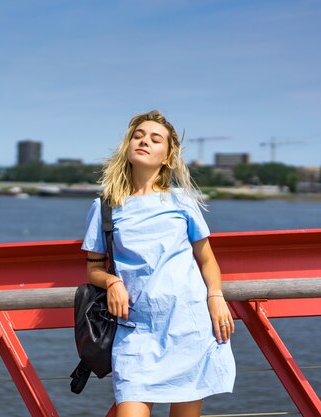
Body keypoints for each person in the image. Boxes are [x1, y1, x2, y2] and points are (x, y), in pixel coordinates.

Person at [81, 110, 236, 417]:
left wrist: (216, 296)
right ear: (128, 146)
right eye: (138, 136)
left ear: (167, 156)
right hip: (136, 332)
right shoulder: (105, 206)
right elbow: (93, 268)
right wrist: (112, 282)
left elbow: (207, 260)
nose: (144, 142)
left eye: (155, 139)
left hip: (189, 329)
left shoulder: (181, 202)